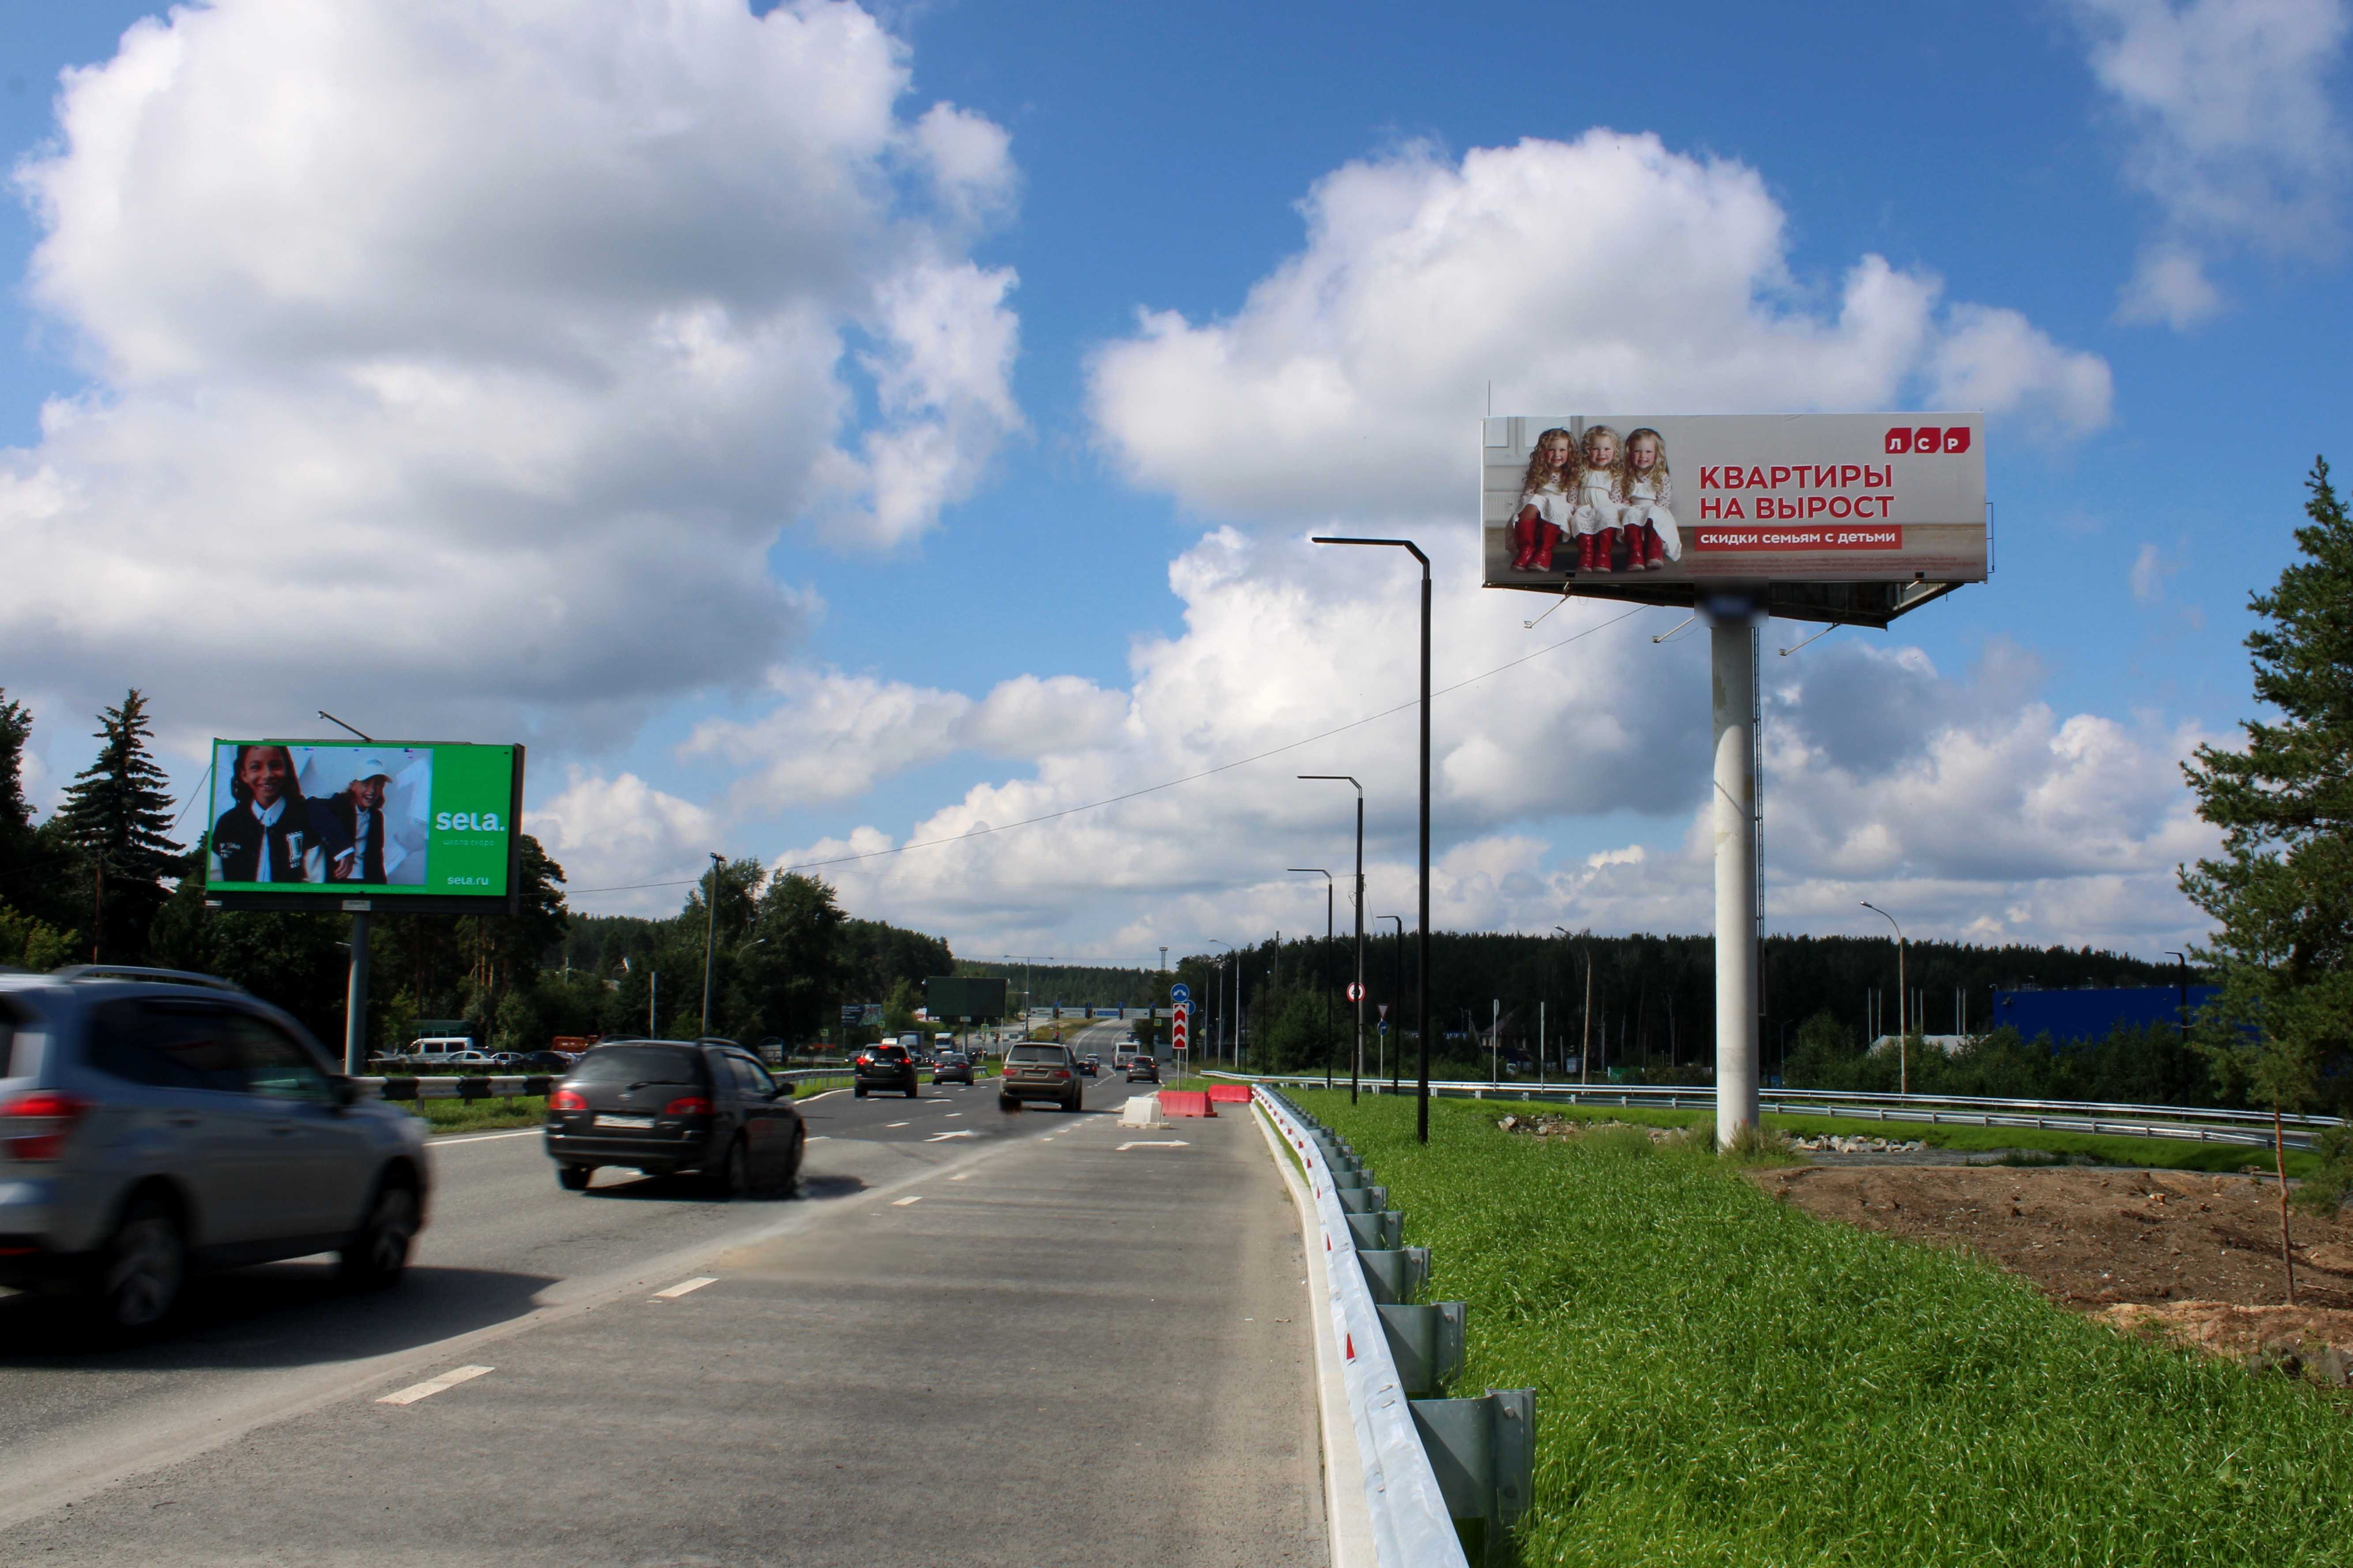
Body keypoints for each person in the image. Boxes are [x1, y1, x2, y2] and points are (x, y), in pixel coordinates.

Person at [208, 744, 326, 883]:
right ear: (244, 774)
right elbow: (215, 878)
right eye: (256, 767)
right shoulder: (228, 823)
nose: (268, 775)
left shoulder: (307, 818)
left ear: (287, 769)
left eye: (276, 766)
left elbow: (317, 880)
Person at [316, 756, 393, 883]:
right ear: (353, 786)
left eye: (379, 784)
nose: (372, 791)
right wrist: (343, 849)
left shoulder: (377, 817)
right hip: (337, 881)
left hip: (365, 882)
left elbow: (376, 857)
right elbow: (312, 805)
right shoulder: (337, 807)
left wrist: (382, 890)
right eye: (366, 783)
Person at [1509, 427, 1576, 571]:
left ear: (1570, 452)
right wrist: (1523, 507)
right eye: (1552, 450)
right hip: (1540, 499)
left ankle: (1545, 551)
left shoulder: (1571, 473)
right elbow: (1529, 492)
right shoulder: (1539, 470)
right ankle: (1527, 550)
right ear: (1543, 452)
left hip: (1560, 502)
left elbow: (1573, 497)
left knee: (1554, 508)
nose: (1557, 455)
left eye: (1562, 450)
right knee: (1531, 505)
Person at [1571, 424, 1628, 574]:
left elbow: (1617, 494)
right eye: (1596, 449)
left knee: (1608, 517)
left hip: (1606, 506)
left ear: (1615, 451)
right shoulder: (1582, 470)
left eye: (1607, 449)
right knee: (1580, 520)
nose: (1601, 453)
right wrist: (1572, 506)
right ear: (1587, 451)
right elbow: (1573, 489)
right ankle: (1587, 554)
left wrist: (1615, 508)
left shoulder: (1615, 473)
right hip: (1584, 506)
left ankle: (1604, 554)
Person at [1621, 427, 1679, 571]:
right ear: (1630, 453)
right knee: (1630, 516)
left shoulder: (1660, 476)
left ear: (1656, 454)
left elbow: (1664, 499)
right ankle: (1635, 554)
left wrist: (1657, 510)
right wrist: (1626, 509)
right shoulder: (1626, 476)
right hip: (1633, 507)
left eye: (1648, 452)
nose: (1643, 456)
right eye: (1637, 451)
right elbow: (1622, 497)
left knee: (1654, 515)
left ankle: (1654, 553)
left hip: (1655, 508)